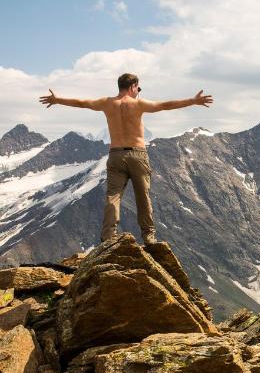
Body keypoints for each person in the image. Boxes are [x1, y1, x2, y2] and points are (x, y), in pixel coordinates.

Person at [39, 73, 213, 245]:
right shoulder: (138, 104)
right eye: (138, 88)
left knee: (113, 196)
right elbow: (165, 105)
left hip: (115, 154)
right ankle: (148, 236)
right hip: (137, 154)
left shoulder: (107, 103)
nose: (138, 91)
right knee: (142, 197)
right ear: (132, 86)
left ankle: (108, 235)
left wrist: (57, 100)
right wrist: (193, 101)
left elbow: (81, 103)